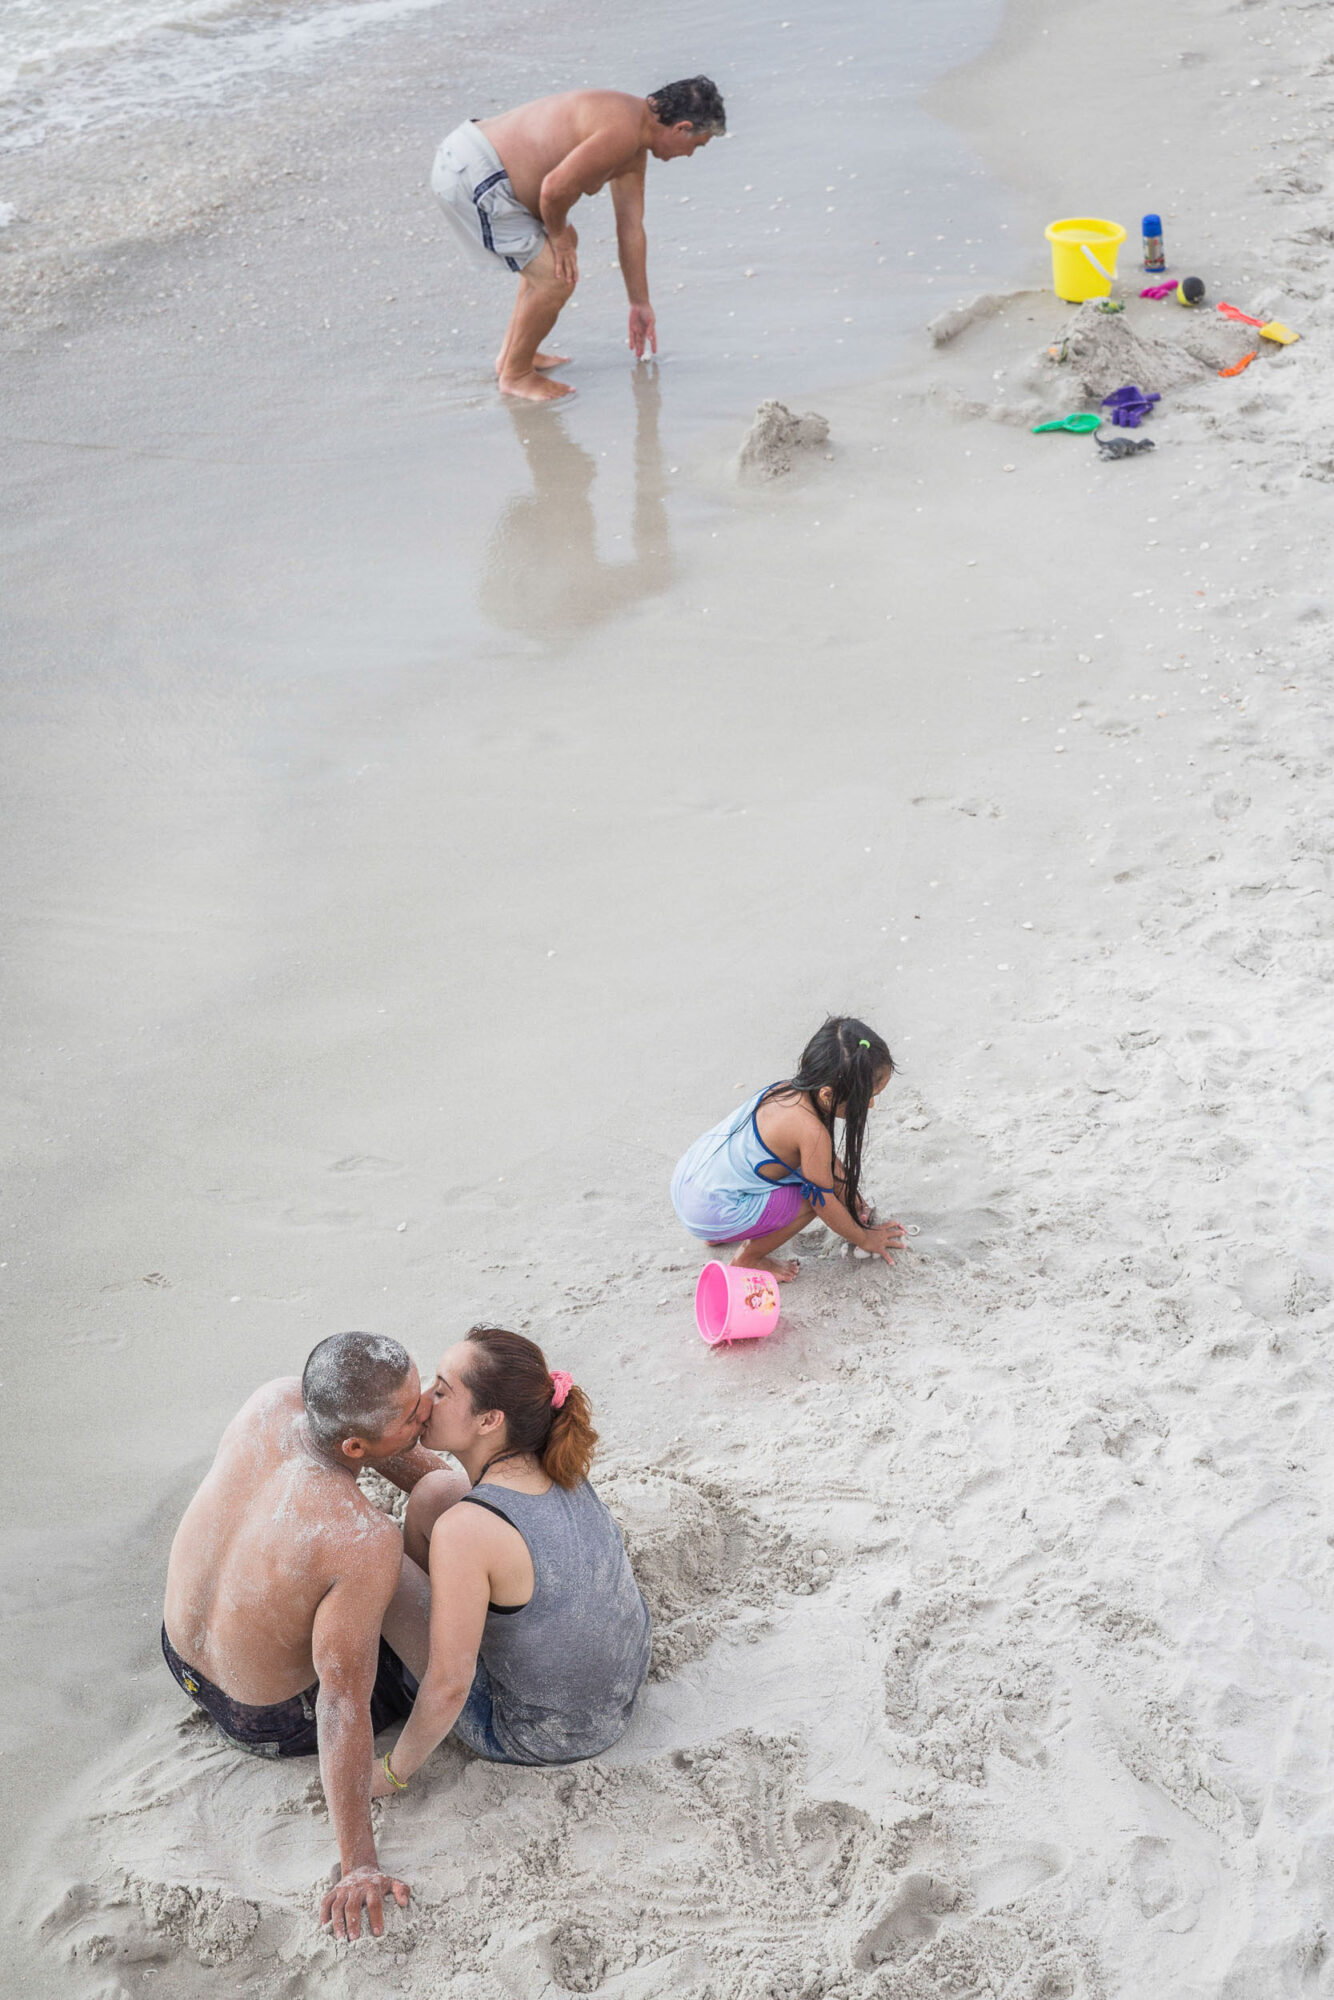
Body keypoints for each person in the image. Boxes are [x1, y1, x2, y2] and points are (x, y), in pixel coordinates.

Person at [162, 1333, 444, 1941]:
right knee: (400, 1584)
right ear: (354, 1444)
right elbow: (341, 1701)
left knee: (363, 1547)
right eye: (411, 1412)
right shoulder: (359, 1538)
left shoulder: (274, 1401)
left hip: (181, 1659)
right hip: (265, 1717)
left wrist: (409, 1446)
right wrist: (358, 1862)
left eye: (421, 1391)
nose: (426, 1407)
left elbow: (397, 1460)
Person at [371, 1327, 651, 1789]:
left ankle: (407, 1674)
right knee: (435, 1490)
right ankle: (447, 1631)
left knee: (380, 1552)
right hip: (619, 1686)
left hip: (540, 1733)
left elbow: (450, 1686)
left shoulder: (467, 1531)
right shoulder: (557, 1460)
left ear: (489, 1421)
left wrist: (392, 1773)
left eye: (441, 1391)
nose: (423, 1401)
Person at [431, 77, 726, 403]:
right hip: (474, 173)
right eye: (697, 145)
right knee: (556, 278)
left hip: (470, 158)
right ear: (682, 128)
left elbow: (630, 228)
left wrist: (639, 302)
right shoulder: (622, 132)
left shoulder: (634, 137)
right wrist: (558, 237)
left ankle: (515, 356)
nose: (690, 155)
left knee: (553, 258)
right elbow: (554, 189)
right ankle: (515, 375)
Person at [670, 1016, 908, 1282]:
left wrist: (855, 1204)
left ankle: (718, 1234)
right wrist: (864, 1237)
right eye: (868, 1097)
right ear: (828, 1095)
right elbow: (824, 1202)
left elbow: (826, 1160)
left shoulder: (785, 1091)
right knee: (813, 1196)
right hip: (712, 1211)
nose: (871, 1106)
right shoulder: (812, 1132)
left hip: (690, 1185)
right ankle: (749, 1259)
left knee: (806, 1172)